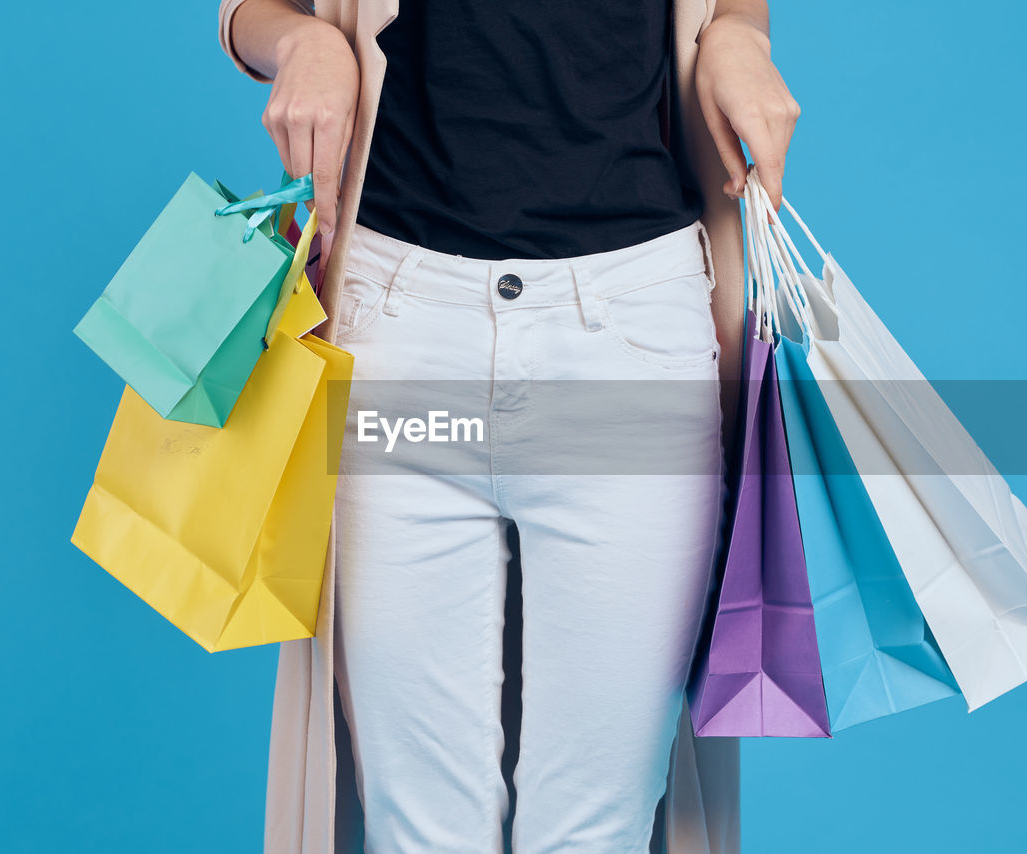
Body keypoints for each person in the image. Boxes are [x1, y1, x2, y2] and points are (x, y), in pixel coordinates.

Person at [219, 1, 800, 851]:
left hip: (629, 344)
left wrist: (739, 32)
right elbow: (248, 10)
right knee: (417, 829)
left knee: (595, 829)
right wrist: (301, 39)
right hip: (399, 333)